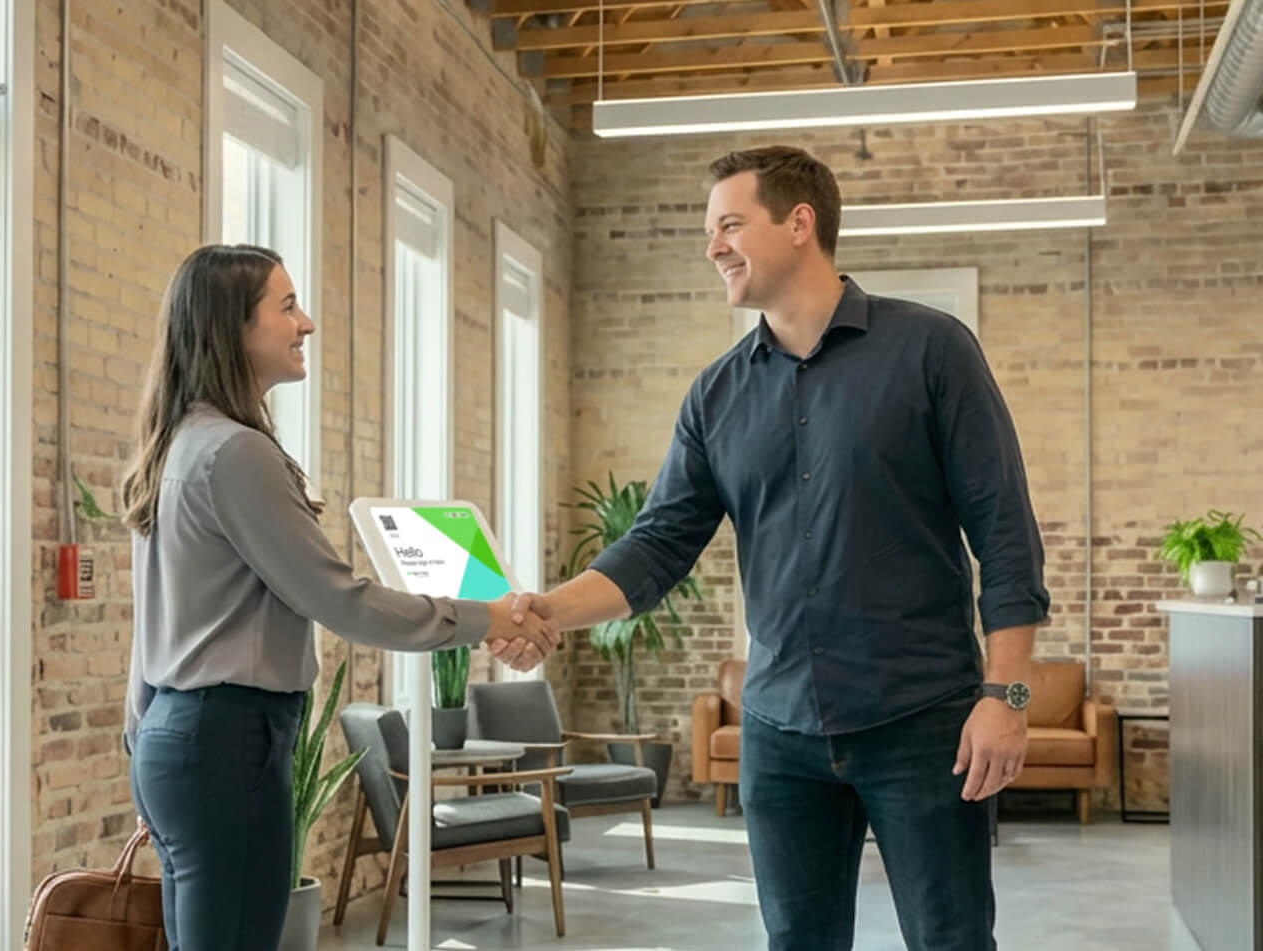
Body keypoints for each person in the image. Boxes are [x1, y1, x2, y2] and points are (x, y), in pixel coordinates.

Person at [510, 147, 1048, 950]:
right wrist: (547, 607)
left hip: (921, 722)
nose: (712, 246)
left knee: (951, 939)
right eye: (708, 230)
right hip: (780, 730)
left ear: (799, 224)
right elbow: (657, 545)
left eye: (729, 224)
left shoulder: (931, 350)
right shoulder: (716, 394)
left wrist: (1004, 699)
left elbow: (1005, 532)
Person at [120, 243, 559, 951]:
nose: (308, 323)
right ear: (232, 325)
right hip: (227, 740)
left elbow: (149, 627)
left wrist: (144, 744)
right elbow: (341, 600)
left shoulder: (179, 444)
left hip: (177, 737)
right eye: (286, 306)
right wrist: (488, 617)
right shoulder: (236, 452)